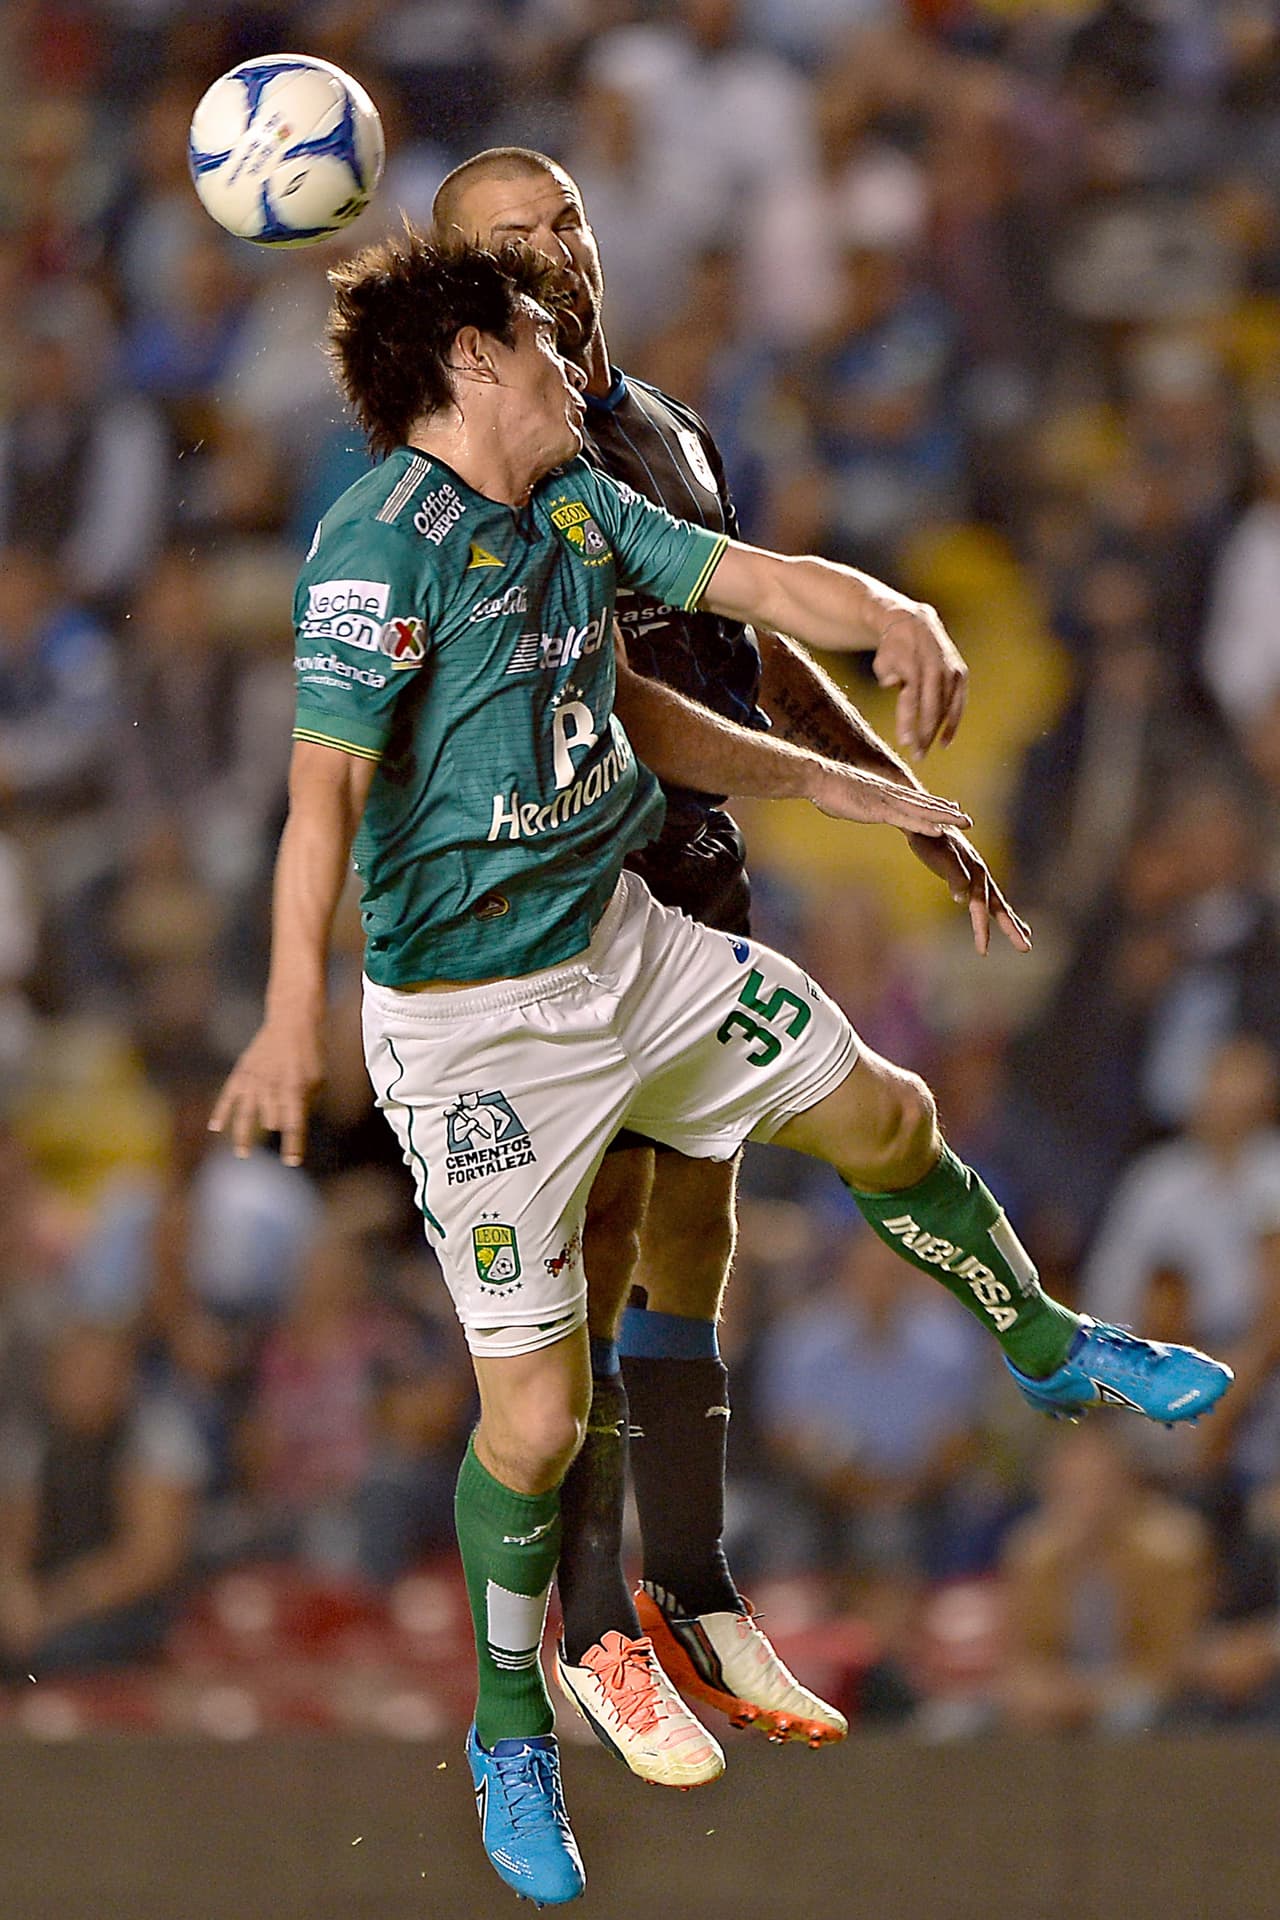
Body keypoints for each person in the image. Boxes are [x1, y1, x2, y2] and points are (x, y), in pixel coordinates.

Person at [210, 234, 1232, 1908]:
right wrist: (278, 1014)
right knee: (532, 1423)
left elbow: (704, 637)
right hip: (476, 1038)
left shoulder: (573, 508)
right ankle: (505, 1729)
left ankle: (1050, 1349)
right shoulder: (372, 553)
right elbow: (320, 803)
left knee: (885, 1112)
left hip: (624, 946)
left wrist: (867, 714)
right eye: (539, 340)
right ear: (469, 361)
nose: (569, 362)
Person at [433, 144, 984, 1760]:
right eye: (514, 241)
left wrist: (893, 795)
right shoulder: (491, 475)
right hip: (570, 902)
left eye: (569, 223)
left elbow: (731, 655)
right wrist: (836, 780)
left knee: (700, 1232)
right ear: (467, 290)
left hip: (703, 872)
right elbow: (632, 705)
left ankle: (685, 1577)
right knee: (595, 1255)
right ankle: (596, 1616)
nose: (556, 254)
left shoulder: (664, 426)